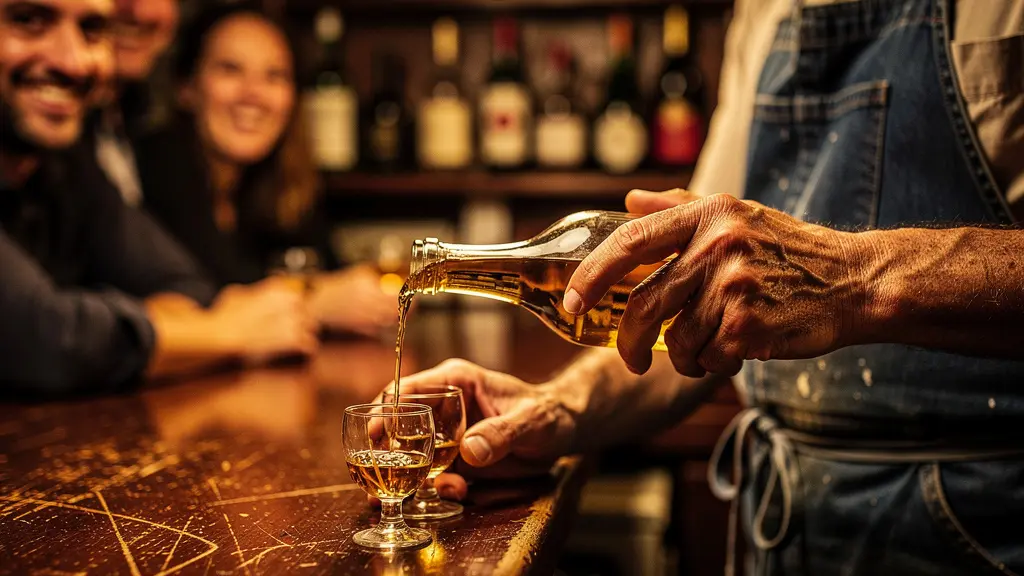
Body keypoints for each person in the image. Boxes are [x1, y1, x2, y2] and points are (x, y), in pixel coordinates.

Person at [395, 0, 1024, 574]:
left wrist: (854, 277)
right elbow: (687, 301)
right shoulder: (764, 11)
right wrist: (559, 411)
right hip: (785, 518)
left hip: (980, 523)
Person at [0, 0, 318, 397]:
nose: (73, 62)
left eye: (92, 30)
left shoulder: (64, 164)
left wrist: (110, 334)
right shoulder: (163, 158)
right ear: (187, 87)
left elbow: (185, 285)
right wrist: (225, 333)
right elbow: (50, 339)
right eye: (28, 21)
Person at [134, 3, 395, 337]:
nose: (253, 94)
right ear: (186, 87)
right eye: (230, 70)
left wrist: (370, 296)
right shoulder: (154, 165)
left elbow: (332, 270)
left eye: (275, 76)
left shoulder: (280, 182)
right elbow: (195, 300)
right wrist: (312, 304)